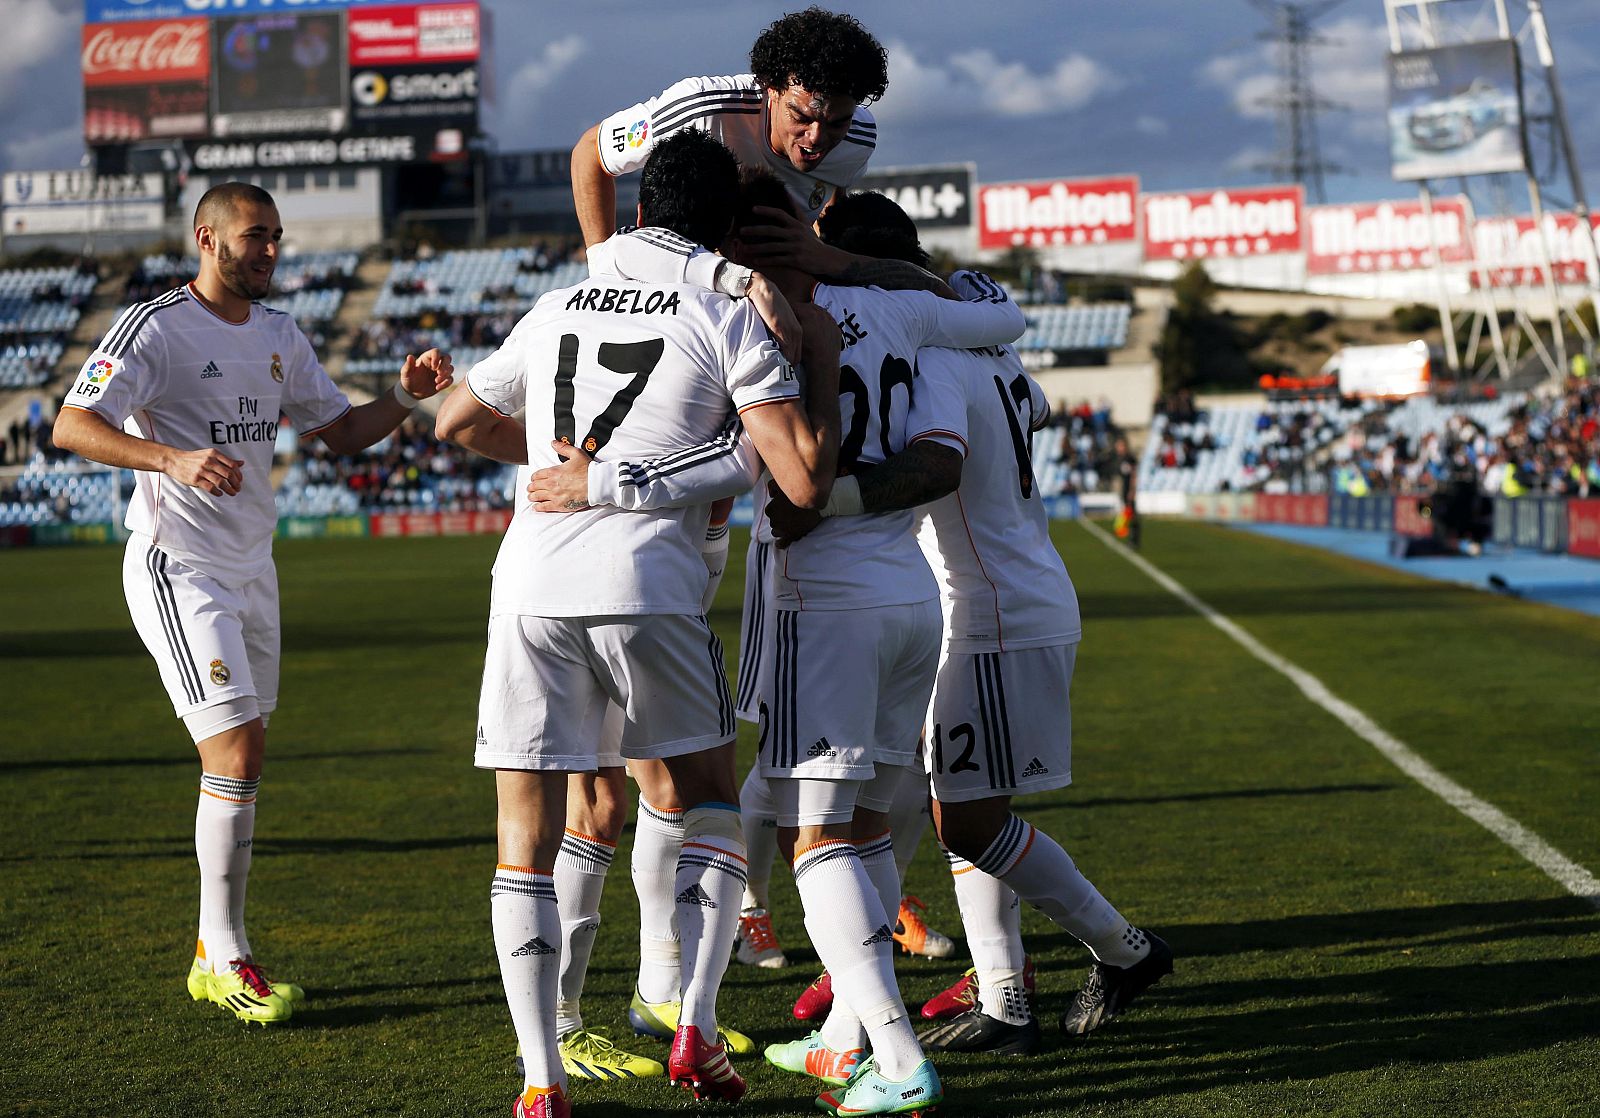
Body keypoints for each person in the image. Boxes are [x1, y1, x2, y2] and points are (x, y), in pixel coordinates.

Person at [531, 174, 1026, 1115]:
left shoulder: (751, 317)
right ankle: (838, 1032)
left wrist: (608, 481)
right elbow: (1001, 318)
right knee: (863, 824)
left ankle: (888, 1052)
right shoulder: (903, 307)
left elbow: (785, 477)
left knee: (810, 834)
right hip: (911, 595)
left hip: (820, 599)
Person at [433, 129, 841, 1118]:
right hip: (649, 582)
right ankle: (689, 1017)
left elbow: (454, 420)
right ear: (728, 226)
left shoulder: (556, 300)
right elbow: (794, 473)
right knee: (705, 795)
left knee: (523, 835)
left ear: (640, 209)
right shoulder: (731, 304)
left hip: (529, 581)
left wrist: (554, 466)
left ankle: (541, 1077)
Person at [768, 194, 1173, 1057]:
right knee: (959, 801)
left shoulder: (939, 354)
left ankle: (1121, 949)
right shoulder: (984, 342)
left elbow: (937, 460)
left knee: (969, 821)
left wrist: (826, 498)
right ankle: (1004, 1000)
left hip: (988, 607)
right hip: (999, 596)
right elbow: (1035, 412)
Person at [51, 182, 454, 1025]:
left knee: (247, 754)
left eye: (277, 237)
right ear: (208, 238)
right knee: (232, 750)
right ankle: (227, 957)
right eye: (255, 237)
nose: (271, 251)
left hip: (251, 569)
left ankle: (210, 949)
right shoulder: (154, 326)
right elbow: (73, 426)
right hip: (177, 566)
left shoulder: (278, 333)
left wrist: (405, 394)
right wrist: (170, 460)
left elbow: (338, 432)